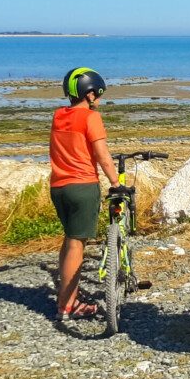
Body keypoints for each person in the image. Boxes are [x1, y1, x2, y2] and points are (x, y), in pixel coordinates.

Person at [50, 68, 121, 320]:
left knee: (69, 240)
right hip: (82, 186)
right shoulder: (91, 118)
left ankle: (66, 298)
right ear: (89, 94)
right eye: (98, 95)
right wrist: (114, 182)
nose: (99, 100)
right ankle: (67, 306)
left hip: (58, 187)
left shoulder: (59, 115)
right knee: (76, 244)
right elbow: (101, 154)